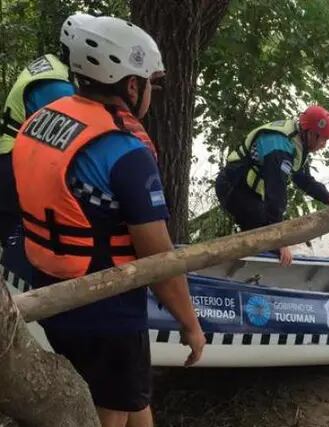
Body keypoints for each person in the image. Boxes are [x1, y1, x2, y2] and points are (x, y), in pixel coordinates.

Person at [12, 15, 205, 427]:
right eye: (150, 83)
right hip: (107, 307)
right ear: (130, 85)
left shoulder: (45, 118)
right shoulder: (124, 151)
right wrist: (190, 325)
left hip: (53, 289)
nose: (151, 92)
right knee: (110, 409)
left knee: (132, 397)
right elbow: (160, 261)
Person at [0, 13, 90, 244]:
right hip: (12, 163)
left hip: (11, 154)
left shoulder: (52, 65)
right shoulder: (57, 87)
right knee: (15, 235)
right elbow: (78, 136)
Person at [215, 106, 329, 266]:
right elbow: (275, 193)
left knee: (263, 228)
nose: (324, 145)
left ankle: (244, 263)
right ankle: (247, 267)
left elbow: (303, 179)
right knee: (265, 233)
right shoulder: (279, 148)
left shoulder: (297, 142)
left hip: (248, 190)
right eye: (323, 139)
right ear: (310, 133)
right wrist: (280, 240)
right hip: (232, 187)